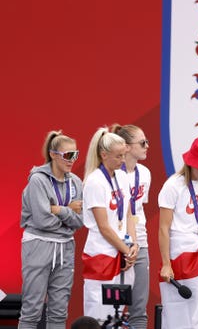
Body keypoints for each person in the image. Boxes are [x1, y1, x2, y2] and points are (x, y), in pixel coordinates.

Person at [18, 131, 83, 329]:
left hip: (65, 247)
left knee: (59, 311)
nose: (72, 160)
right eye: (68, 155)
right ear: (54, 154)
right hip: (38, 244)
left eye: (76, 155)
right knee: (32, 309)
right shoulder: (38, 180)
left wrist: (58, 210)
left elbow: (79, 221)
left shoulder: (77, 183)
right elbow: (42, 220)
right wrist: (68, 212)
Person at [158, 136, 198, 329]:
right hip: (181, 251)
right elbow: (163, 228)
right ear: (191, 164)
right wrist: (166, 264)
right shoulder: (173, 186)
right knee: (182, 306)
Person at [82, 128, 139, 321]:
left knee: (118, 314)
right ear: (103, 155)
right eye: (118, 156)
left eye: (124, 155)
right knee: (99, 314)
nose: (123, 160)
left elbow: (130, 213)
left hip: (123, 254)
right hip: (103, 255)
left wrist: (134, 244)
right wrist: (126, 250)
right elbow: (103, 226)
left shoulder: (122, 177)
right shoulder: (95, 182)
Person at [111, 124, 152, 329]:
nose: (147, 146)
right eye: (142, 143)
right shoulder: (112, 175)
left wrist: (136, 243)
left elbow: (137, 211)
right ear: (126, 147)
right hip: (116, 245)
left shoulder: (145, 173)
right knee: (112, 309)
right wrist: (125, 245)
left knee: (139, 308)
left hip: (140, 243)